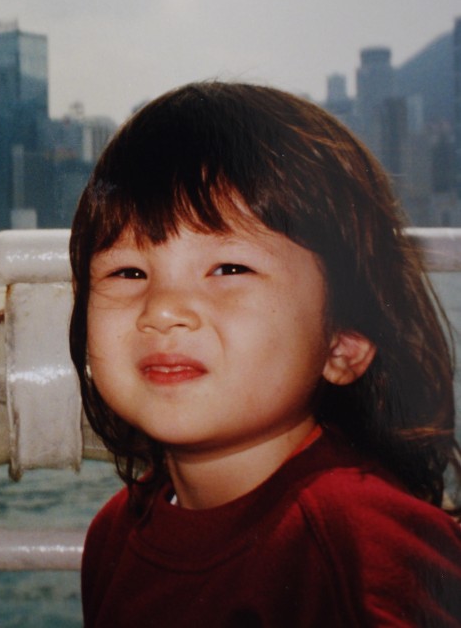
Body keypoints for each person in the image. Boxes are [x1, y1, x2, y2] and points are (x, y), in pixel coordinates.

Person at [69, 81, 461, 627]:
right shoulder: (113, 536)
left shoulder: (363, 540)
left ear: (344, 342)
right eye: (127, 272)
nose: (162, 310)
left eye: (229, 269)